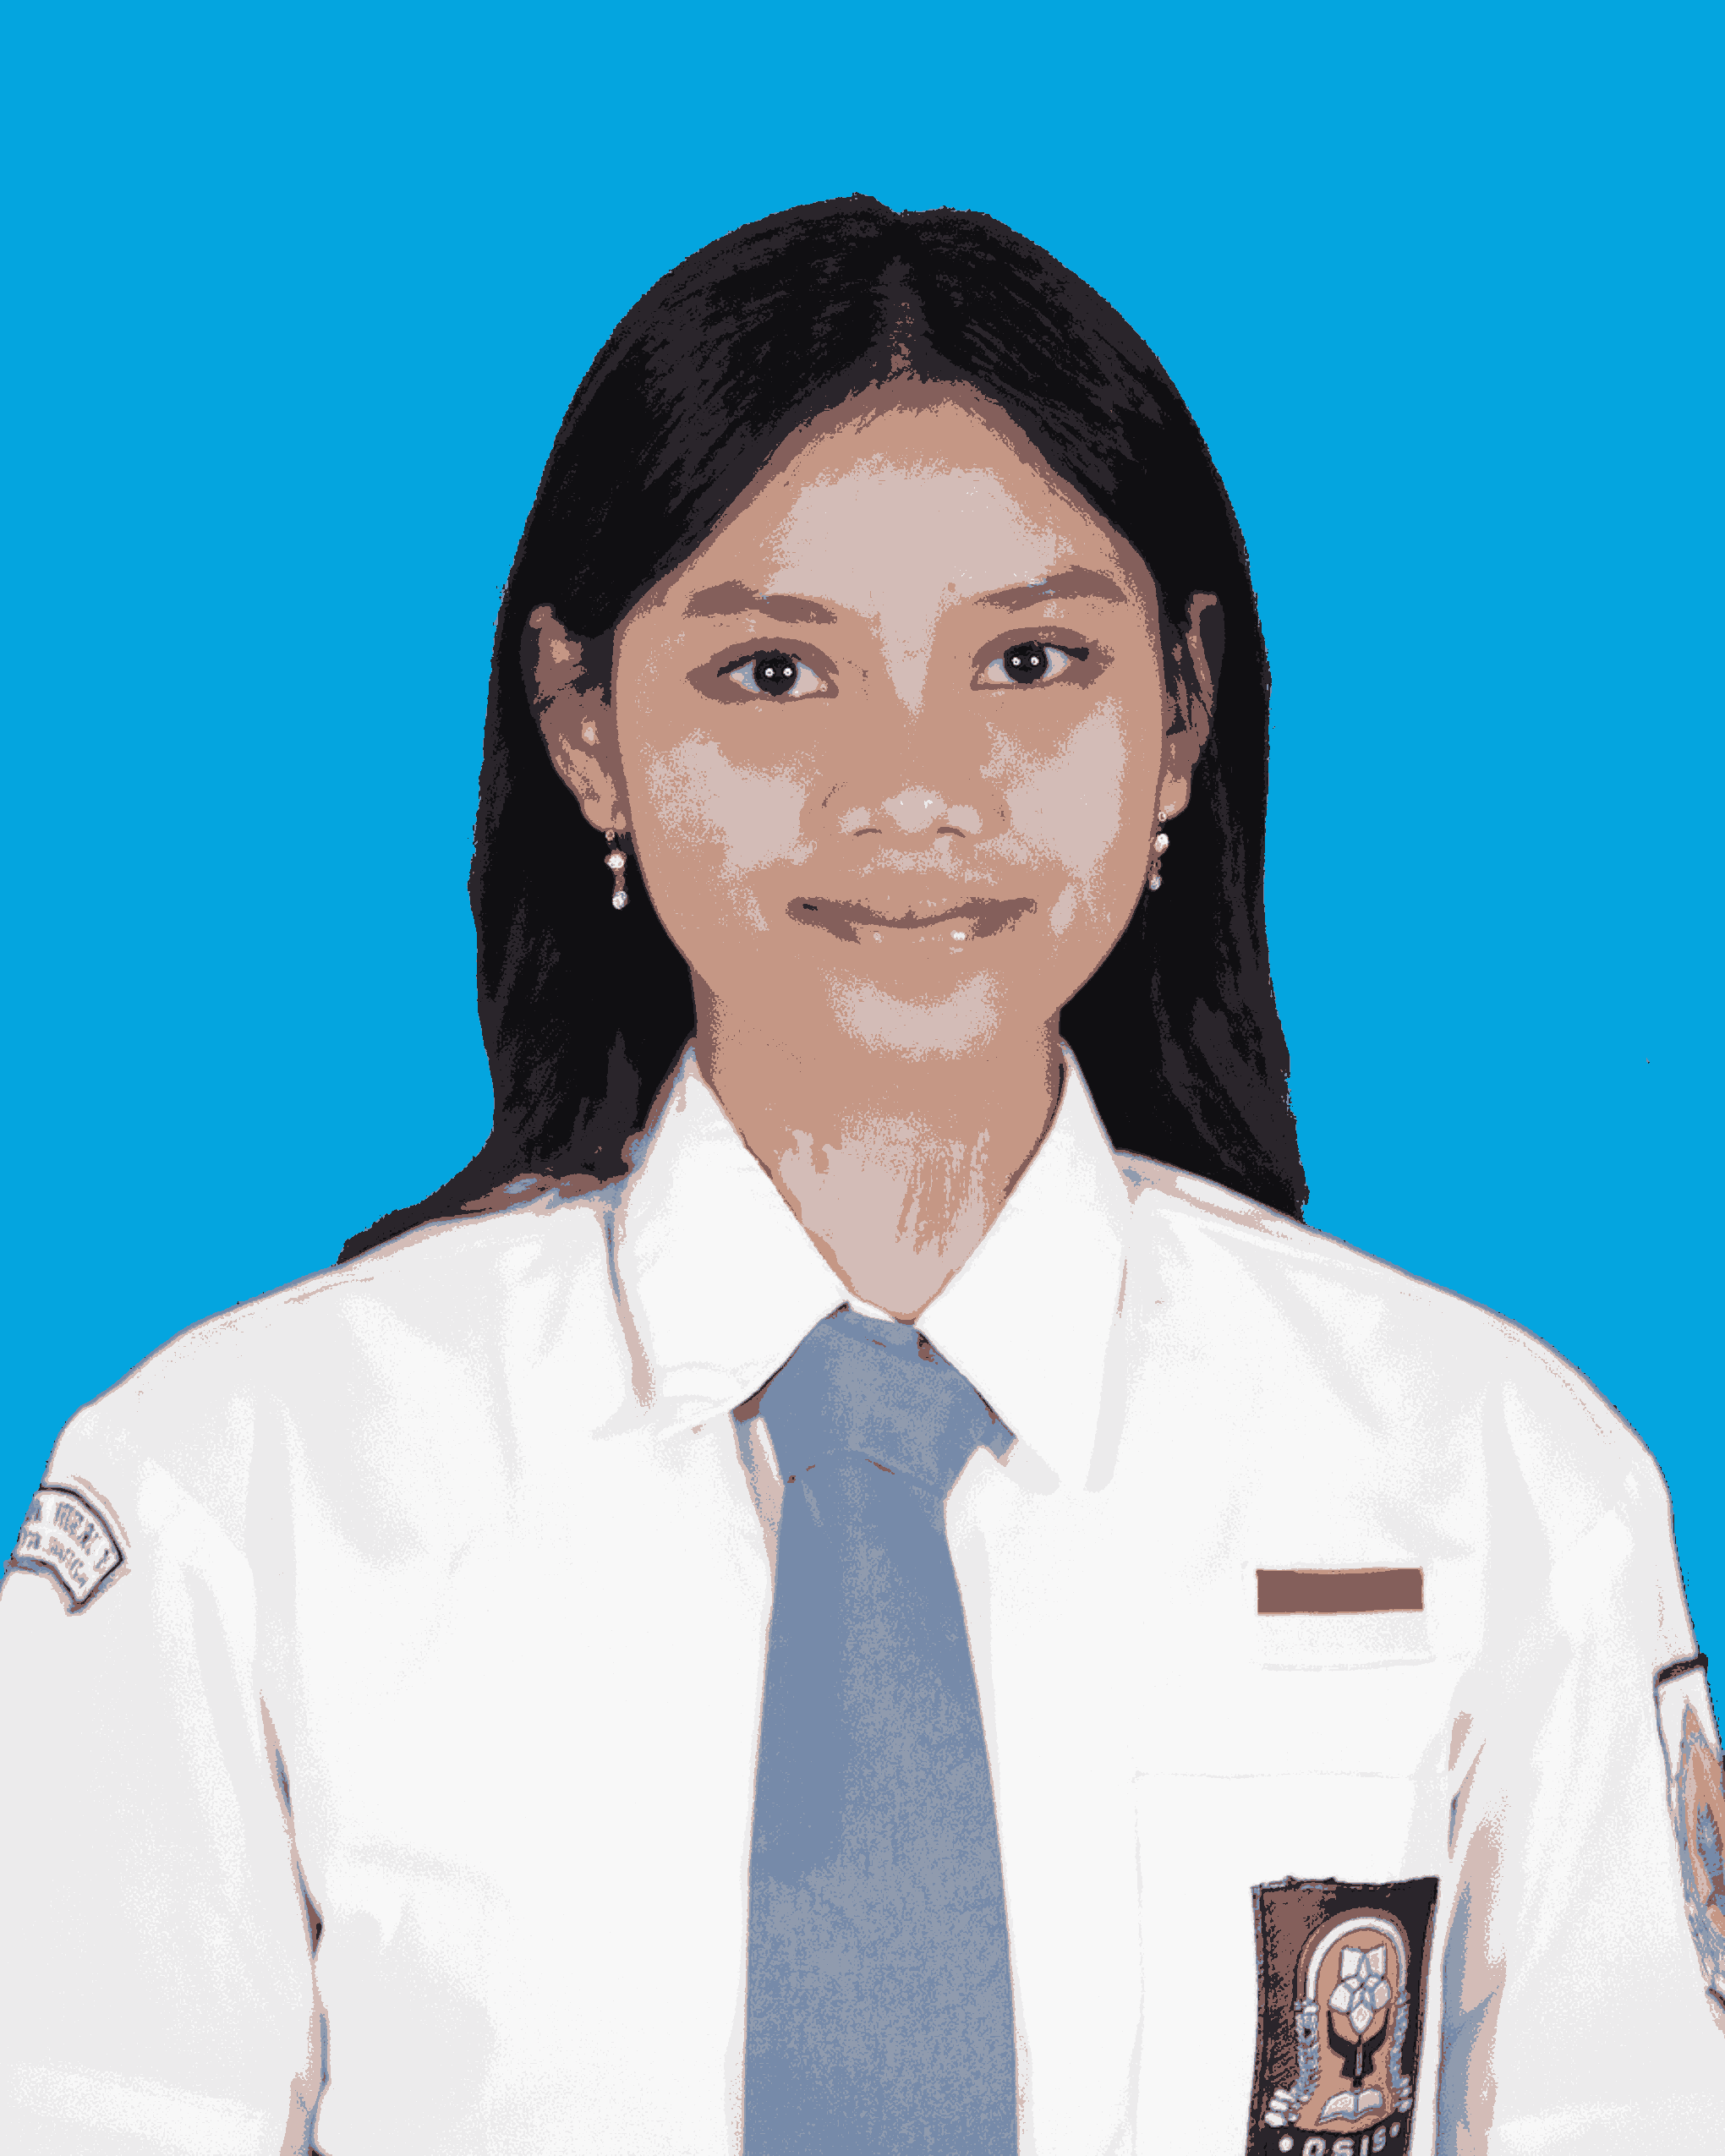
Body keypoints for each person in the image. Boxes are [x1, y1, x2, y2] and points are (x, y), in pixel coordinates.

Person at [3, 197, 1720, 2156]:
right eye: (773, 675)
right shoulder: (236, 1500)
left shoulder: (1501, 1486)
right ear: (584, 723)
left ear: (1181, 709)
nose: (913, 789)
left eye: (1032, 660)